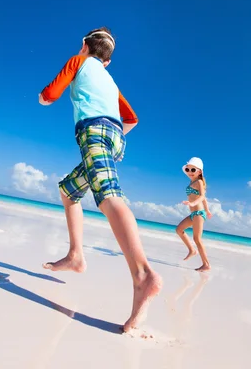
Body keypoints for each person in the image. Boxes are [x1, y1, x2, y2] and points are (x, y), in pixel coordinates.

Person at [38, 27, 162, 332]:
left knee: (108, 196)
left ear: (84, 46)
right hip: (115, 138)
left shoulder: (78, 61)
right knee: (69, 191)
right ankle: (76, 255)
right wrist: (112, 134)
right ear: (107, 61)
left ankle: (143, 275)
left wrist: (43, 99)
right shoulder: (109, 80)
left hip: (94, 133)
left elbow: (48, 95)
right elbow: (132, 119)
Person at [175, 157, 212, 272]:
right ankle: (192, 250)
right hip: (193, 214)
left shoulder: (199, 182)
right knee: (179, 230)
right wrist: (208, 210)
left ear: (199, 171)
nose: (190, 172)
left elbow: (201, 197)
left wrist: (193, 203)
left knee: (197, 239)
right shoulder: (192, 182)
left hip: (199, 214)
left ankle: (206, 264)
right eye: (188, 170)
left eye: (193, 170)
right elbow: (204, 199)